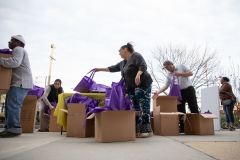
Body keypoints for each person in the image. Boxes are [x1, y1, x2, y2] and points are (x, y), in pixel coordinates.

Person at [95, 43, 153, 138]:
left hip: (142, 84)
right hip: (131, 87)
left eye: (120, 51)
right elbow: (112, 68)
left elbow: (143, 65)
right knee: (135, 107)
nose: (119, 53)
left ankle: (147, 130)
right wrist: (99, 69)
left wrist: (138, 74)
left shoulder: (135, 55)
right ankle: (137, 129)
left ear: (125, 49)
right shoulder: (122, 63)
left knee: (143, 105)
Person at [152, 60, 199, 133]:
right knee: (180, 109)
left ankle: (197, 126)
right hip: (179, 92)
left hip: (189, 88)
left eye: (167, 66)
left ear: (171, 64)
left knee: (193, 107)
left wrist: (180, 74)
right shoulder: (168, 75)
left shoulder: (181, 66)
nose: (167, 69)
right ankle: (183, 127)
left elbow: (191, 73)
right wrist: (158, 92)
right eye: (165, 68)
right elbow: (166, 85)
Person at [0, 35, 33, 138]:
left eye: (12, 41)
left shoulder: (19, 49)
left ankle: (14, 129)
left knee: (13, 105)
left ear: (18, 42)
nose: (9, 42)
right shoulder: (19, 50)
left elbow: (15, 63)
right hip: (19, 82)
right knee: (10, 105)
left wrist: (1, 60)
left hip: (20, 82)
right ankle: (9, 127)